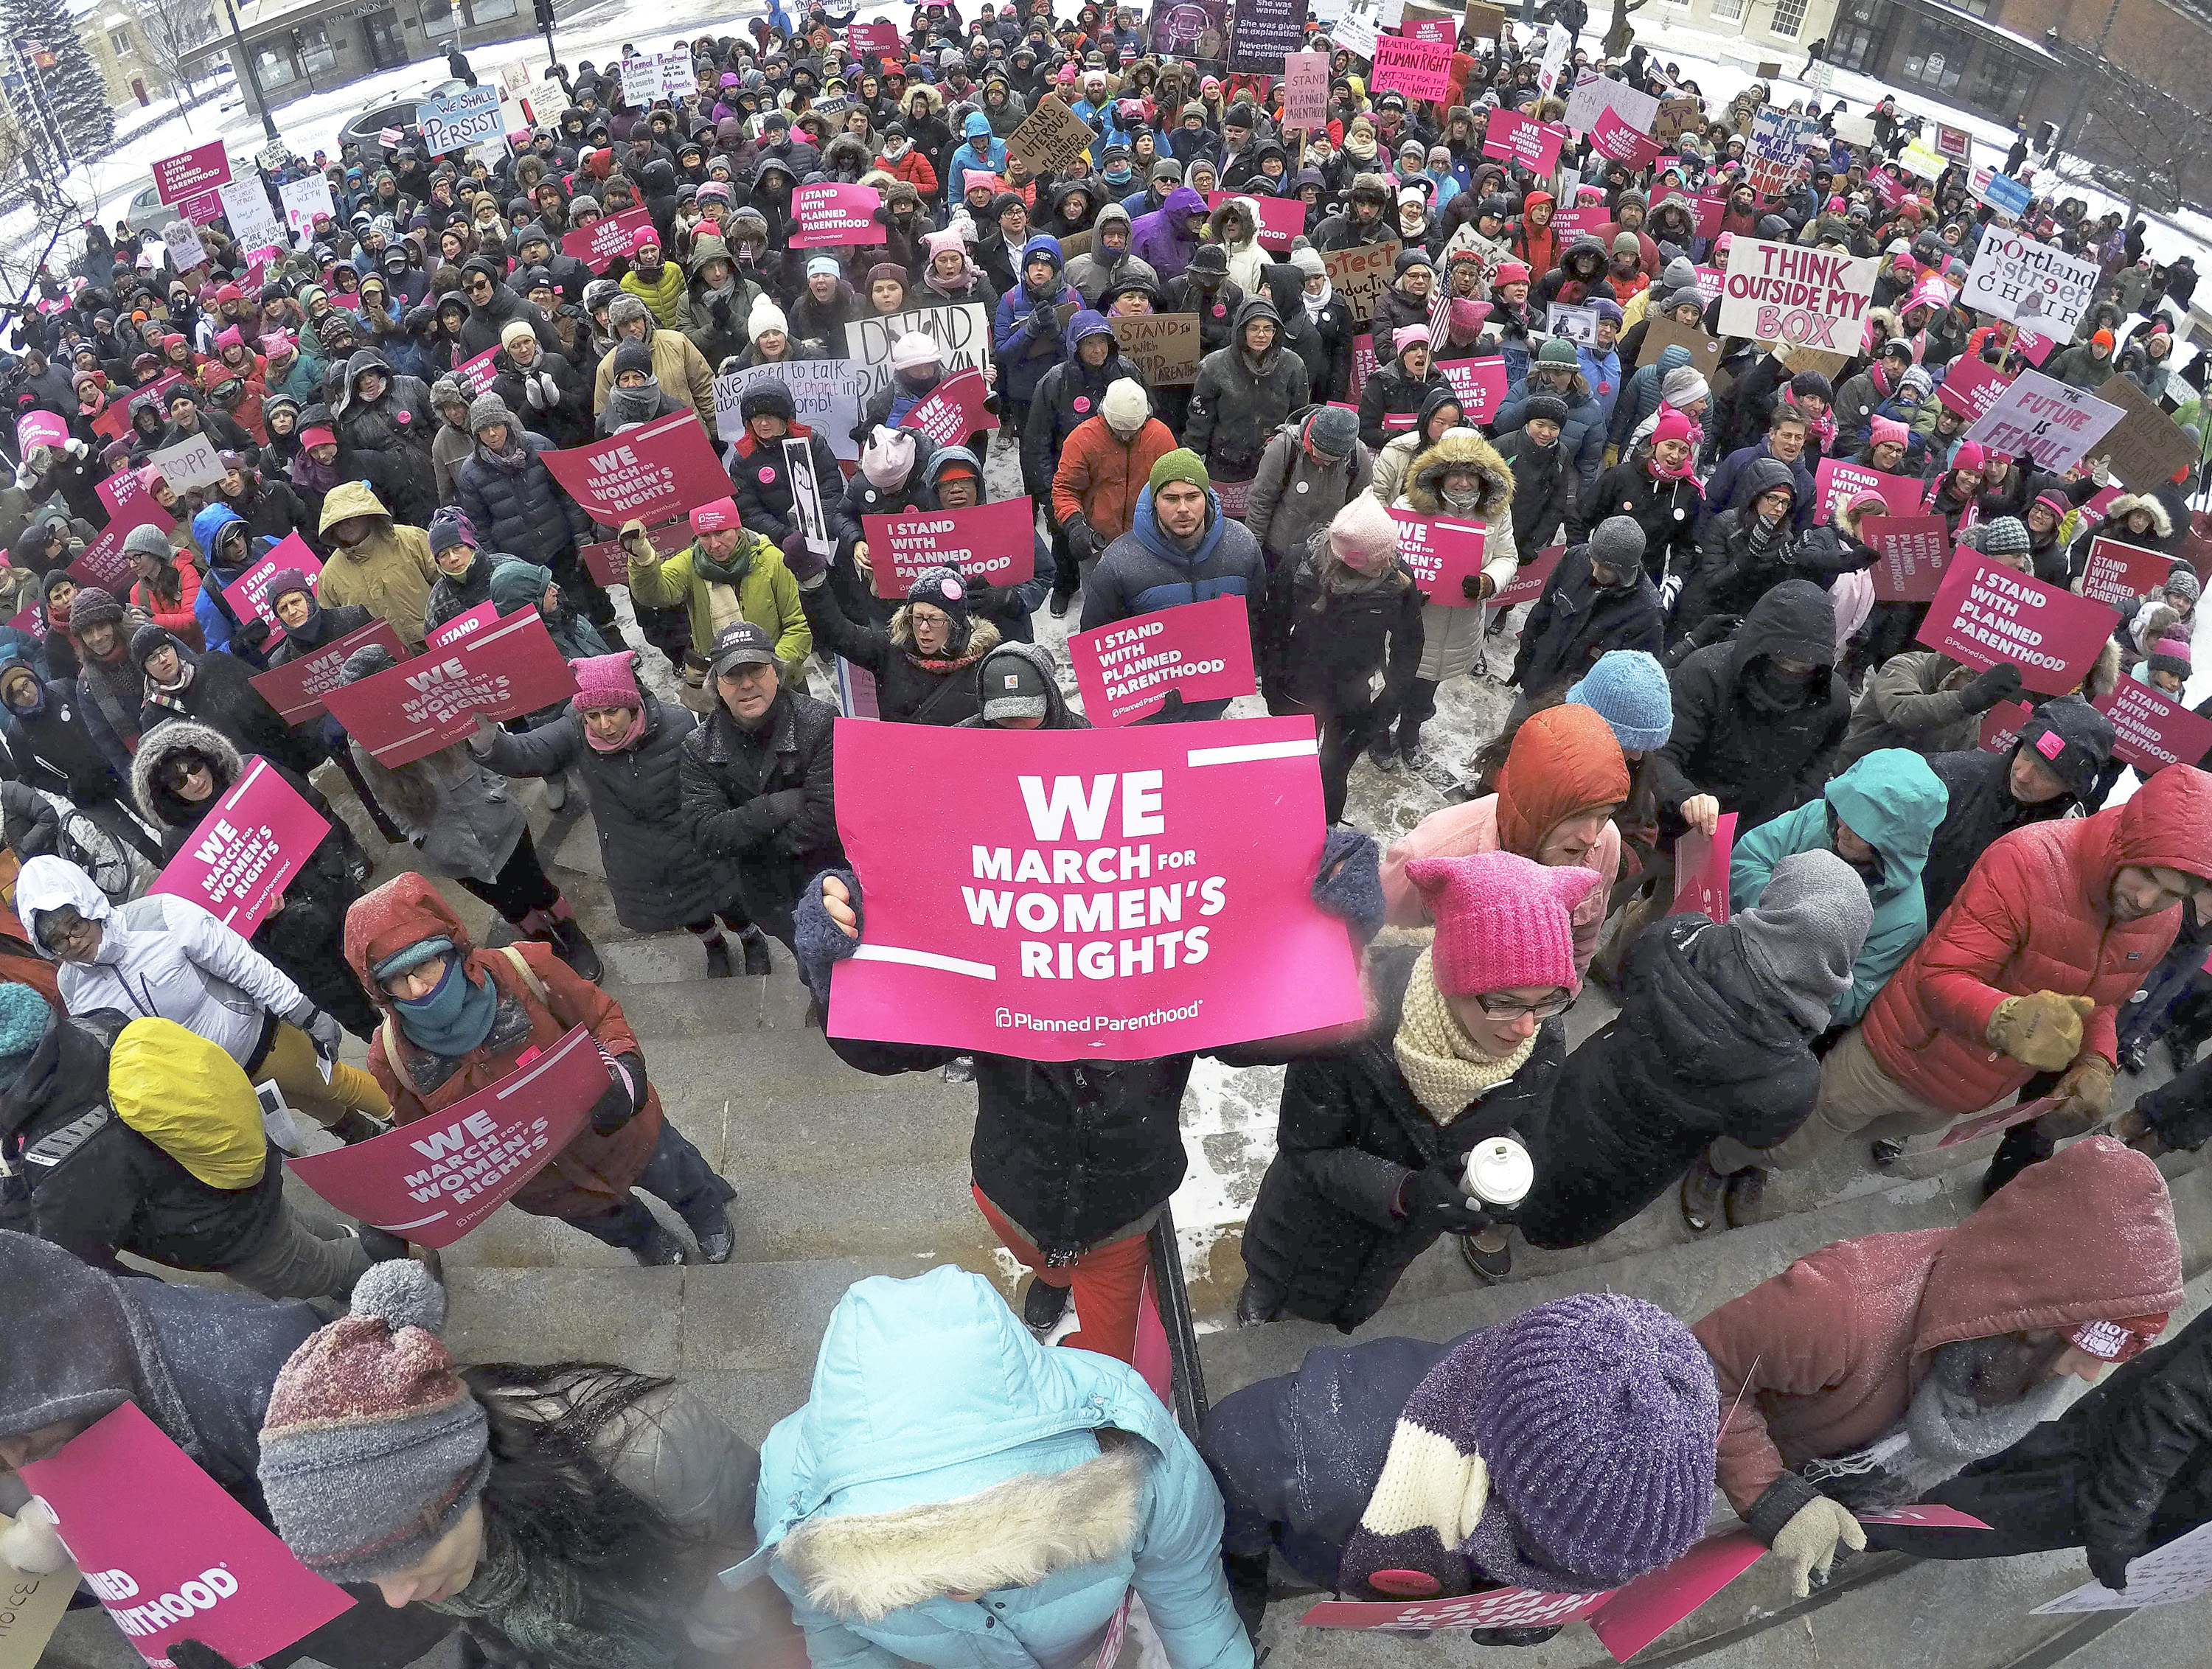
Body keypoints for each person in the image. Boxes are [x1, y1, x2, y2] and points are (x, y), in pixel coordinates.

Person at [793, 829, 1381, 1359]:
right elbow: (886, 1051)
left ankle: (1060, 1288)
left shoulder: (1177, 970)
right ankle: (1050, 1281)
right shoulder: (988, 954)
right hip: (1009, 1194)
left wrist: (1338, 944)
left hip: (1119, 1219)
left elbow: (1283, 1030)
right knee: (1042, 1263)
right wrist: (841, 972)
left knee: (1107, 1358)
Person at [1703, 762, 2212, 1210]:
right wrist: (2003, 1018)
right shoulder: (2030, 861)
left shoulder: (2161, 922)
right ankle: (1722, 1160)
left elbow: (2105, 1001)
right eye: (2146, 874)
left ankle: (1756, 1161)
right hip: (1897, 1055)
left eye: (2175, 891)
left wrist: (2098, 1059)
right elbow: (1939, 976)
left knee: (1840, 1138)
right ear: (2126, 838)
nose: (2150, 900)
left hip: (1967, 1089)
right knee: (1799, 1136)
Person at [1692, 1137, 2183, 1597]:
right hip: (1696, 1463)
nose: (2091, 1375)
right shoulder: (1842, 1309)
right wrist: (1768, 1495)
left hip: (1790, 1471)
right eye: (2089, 1348)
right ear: (2037, 1314)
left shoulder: (2013, 1357)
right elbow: (1693, 1372)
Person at [251, 1261, 792, 1659]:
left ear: (459, 1481)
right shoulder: (450, 1555)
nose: (396, 1600)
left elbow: (760, 1557)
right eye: (365, 1576)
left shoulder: (654, 1449)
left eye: (404, 1558)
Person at [754, 1266, 1253, 1669]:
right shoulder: (795, 1508)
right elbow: (839, 1639)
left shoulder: (1129, 1450)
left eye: (996, 1555)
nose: (962, 1590)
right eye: (923, 1570)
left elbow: (1190, 1595)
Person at [1201, 1294, 1717, 1641]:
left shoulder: (1545, 1381)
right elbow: (1231, 1448)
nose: (1575, 1577)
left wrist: (1528, 1604)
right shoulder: (1318, 1446)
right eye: (1561, 1561)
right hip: (1316, 1543)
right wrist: (1239, 1577)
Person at [1237, 850, 1591, 1323]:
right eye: (1504, 1002)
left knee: (1357, 1295)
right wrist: (1403, 1192)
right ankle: (1262, 1295)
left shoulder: (1542, 1043)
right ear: (1453, 980)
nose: (1526, 1028)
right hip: (1307, 1225)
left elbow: (1525, 1127)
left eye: (1547, 1001)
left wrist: (1502, 1173)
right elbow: (1307, 1150)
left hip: (1394, 1245)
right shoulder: (1354, 1022)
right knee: (1277, 1281)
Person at [344, 872, 736, 1265]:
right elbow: (425, 1138)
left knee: (677, 1174)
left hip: (619, 1131)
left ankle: (705, 1211)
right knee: (611, 1222)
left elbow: (601, 1018)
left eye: (424, 966)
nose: (416, 990)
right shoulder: (390, 1058)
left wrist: (627, 1070)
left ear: (450, 950)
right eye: (395, 979)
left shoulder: (525, 968)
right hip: (547, 1183)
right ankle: (647, 1240)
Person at [0, 991, 399, 1299]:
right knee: (289, 1227)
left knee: (302, 1270)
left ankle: (401, 1264)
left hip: (222, 1225)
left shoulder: (67, 1152)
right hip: (241, 1170)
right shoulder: (92, 1028)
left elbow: (70, 1256)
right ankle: (352, 1241)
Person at [15, 852, 392, 1142]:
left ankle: (418, 1125)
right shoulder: (71, 983)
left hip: (260, 1043)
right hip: (215, 1088)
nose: (73, 943)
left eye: (76, 926)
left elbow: (243, 964)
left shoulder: (162, 915)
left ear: (91, 907)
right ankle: (366, 1141)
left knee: (335, 1084)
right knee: (308, 1103)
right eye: (57, 941)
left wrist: (304, 1012)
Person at [468, 652, 773, 980]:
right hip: (638, 855)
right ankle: (712, 943)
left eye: (612, 712)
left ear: (631, 705)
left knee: (727, 899)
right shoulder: (573, 733)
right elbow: (526, 753)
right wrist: (488, 741)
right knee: (684, 908)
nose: (603, 725)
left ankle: (750, 937)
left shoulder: (678, 723)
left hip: (694, 844)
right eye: (593, 715)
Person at [333, 643, 602, 981]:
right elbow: (384, 801)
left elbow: (487, 748)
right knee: (510, 905)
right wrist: (423, 840)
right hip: (452, 847)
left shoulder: (438, 699)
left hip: (498, 822)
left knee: (538, 888)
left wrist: (495, 792)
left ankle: (573, 937)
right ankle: (545, 943)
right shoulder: (362, 745)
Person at [131, 720, 378, 1039]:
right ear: (168, 792)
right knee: (354, 1013)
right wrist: (260, 919)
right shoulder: (179, 841)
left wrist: (330, 869)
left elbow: (316, 809)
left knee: (389, 970)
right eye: (179, 780)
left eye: (194, 767)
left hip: (336, 895)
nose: (194, 781)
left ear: (207, 757)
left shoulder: (254, 773)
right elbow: (210, 915)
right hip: (294, 944)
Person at [1380, 703, 1629, 988]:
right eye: (1575, 815)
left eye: (1603, 815)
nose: (1590, 836)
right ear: (1532, 807)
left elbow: (1583, 939)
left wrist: (1562, 996)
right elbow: (1380, 947)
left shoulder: (1607, 842)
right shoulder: (1431, 852)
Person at [1727, 749, 1949, 1030]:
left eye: (1861, 828)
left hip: (1772, 1016)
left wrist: (1800, 960)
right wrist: (1781, 923)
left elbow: (1853, 1000)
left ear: (1893, 844)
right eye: (1845, 811)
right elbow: (1748, 859)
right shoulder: (1820, 819)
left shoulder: (1905, 920)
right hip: (1732, 950)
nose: (1842, 829)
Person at [678, 620, 842, 952]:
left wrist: (752, 846)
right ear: (717, 686)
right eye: (733, 675)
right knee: (802, 956)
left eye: (756, 670)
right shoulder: (699, 747)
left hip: (829, 879)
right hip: (766, 897)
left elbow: (828, 814)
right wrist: (775, 807)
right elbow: (707, 834)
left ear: (777, 674)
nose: (747, 684)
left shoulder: (820, 721)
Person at [1261, 495, 1422, 825]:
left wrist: (1386, 707)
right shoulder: (1299, 566)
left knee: (1333, 773)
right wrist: (1273, 687)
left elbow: (1409, 644)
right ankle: (1277, 823)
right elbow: (1272, 627)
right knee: (1287, 767)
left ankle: (1327, 830)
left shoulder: (1397, 579)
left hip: (1354, 693)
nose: (1389, 563)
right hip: (1298, 688)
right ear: (1352, 559)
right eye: (1379, 559)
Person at [1649, 579, 1848, 840]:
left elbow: (1827, 748)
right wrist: (1685, 796)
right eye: (1781, 661)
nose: (1789, 674)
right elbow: (1662, 754)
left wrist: (1799, 797)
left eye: (1803, 667)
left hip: (1764, 831)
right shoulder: (1705, 674)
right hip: (1686, 825)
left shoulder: (1830, 696)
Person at [1078, 451, 1265, 719]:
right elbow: (1097, 644)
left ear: (1207, 496)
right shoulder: (1119, 562)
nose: (1183, 509)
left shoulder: (1242, 547)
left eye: (1192, 496)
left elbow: (1256, 616)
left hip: (1213, 698)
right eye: (1171, 498)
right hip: (1148, 711)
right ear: (1155, 501)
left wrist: (1245, 663)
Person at [1383, 428, 1518, 770]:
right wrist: (1406, 583)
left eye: (1470, 475)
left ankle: (1410, 734)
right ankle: (1378, 734)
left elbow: (1508, 558)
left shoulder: (1497, 513)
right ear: (1440, 473)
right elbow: (1386, 556)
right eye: (1455, 474)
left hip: (1458, 626)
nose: (1462, 483)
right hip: (1413, 622)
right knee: (1393, 685)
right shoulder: (1408, 507)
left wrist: (1489, 581)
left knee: (1425, 690)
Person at [1919, 703, 2114, 922]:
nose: (2023, 776)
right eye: (2027, 756)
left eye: (2045, 773)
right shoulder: (1949, 777)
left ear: (2071, 787)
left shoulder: (2068, 843)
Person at [622, 497, 811, 706]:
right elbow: (654, 594)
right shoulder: (690, 563)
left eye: (721, 532)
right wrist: (643, 557)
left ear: (737, 528)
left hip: (780, 682)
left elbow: (799, 626)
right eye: (704, 535)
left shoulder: (772, 560)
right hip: (723, 685)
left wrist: (769, 671)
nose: (714, 545)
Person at [1050, 377, 1178, 619]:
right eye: (1121, 431)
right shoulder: (1082, 439)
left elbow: (1173, 485)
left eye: (1134, 431)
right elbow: (1065, 489)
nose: (1128, 437)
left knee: (1146, 609)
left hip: (1148, 541)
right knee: (1101, 611)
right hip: (1099, 542)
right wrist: (1075, 525)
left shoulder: (1160, 437)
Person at [1507, 515, 1666, 705]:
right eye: (1593, 560)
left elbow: (1632, 686)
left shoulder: (1646, 616)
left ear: (1625, 571)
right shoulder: (1575, 559)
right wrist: (1524, 661)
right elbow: (1542, 612)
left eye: (1605, 569)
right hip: (1536, 683)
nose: (1595, 572)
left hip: (1577, 711)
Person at [316, 480, 441, 649]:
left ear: (367, 514)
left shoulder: (410, 540)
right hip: (384, 666)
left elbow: (448, 584)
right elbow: (332, 633)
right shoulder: (329, 577)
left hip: (437, 645)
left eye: (351, 517)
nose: (346, 525)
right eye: (337, 522)